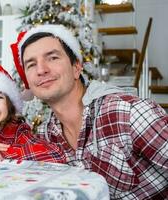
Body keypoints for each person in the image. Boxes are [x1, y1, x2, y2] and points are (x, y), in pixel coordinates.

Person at [10, 24, 168, 199]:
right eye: (31, 64)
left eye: (53, 57)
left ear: (77, 67)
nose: (41, 70)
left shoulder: (128, 113)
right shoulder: (45, 136)